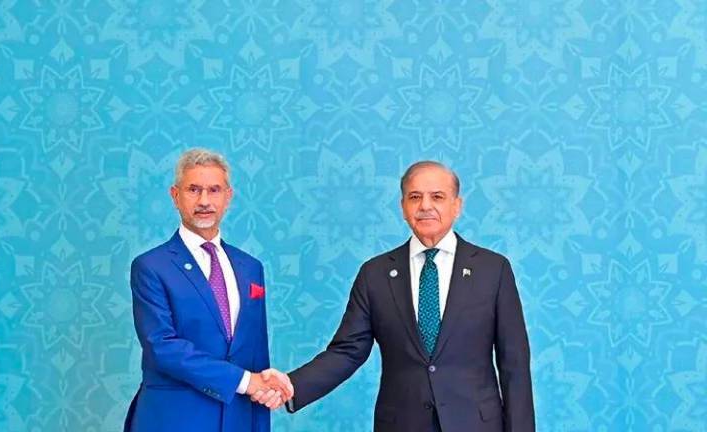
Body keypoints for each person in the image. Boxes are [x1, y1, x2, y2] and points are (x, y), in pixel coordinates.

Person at [283, 161, 535, 431]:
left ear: (457, 206)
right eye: (415, 197)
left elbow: (514, 364)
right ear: (403, 207)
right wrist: (290, 386)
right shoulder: (375, 274)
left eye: (437, 196)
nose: (425, 205)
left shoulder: (493, 269)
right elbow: (347, 351)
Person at [124, 148, 292, 432]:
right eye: (193, 190)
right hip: (174, 420)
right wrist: (246, 381)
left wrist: (262, 397)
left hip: (238, 417)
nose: (204, 201)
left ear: (228, 197)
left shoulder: (250, 267)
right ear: (175, 196)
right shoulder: (151, 266)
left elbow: (255, 350)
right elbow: (162, 347)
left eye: (214, 190)